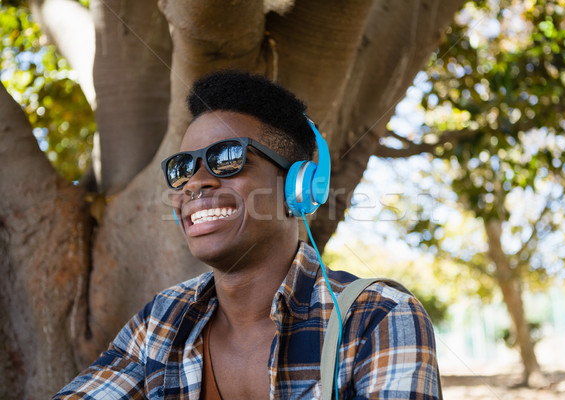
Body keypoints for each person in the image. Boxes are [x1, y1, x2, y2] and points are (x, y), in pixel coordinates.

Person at [54, 71, 440, 399]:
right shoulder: (162, 321)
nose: (195, 183)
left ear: (299, 188)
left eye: (227, 158)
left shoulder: (377, 317)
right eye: (182, 168)